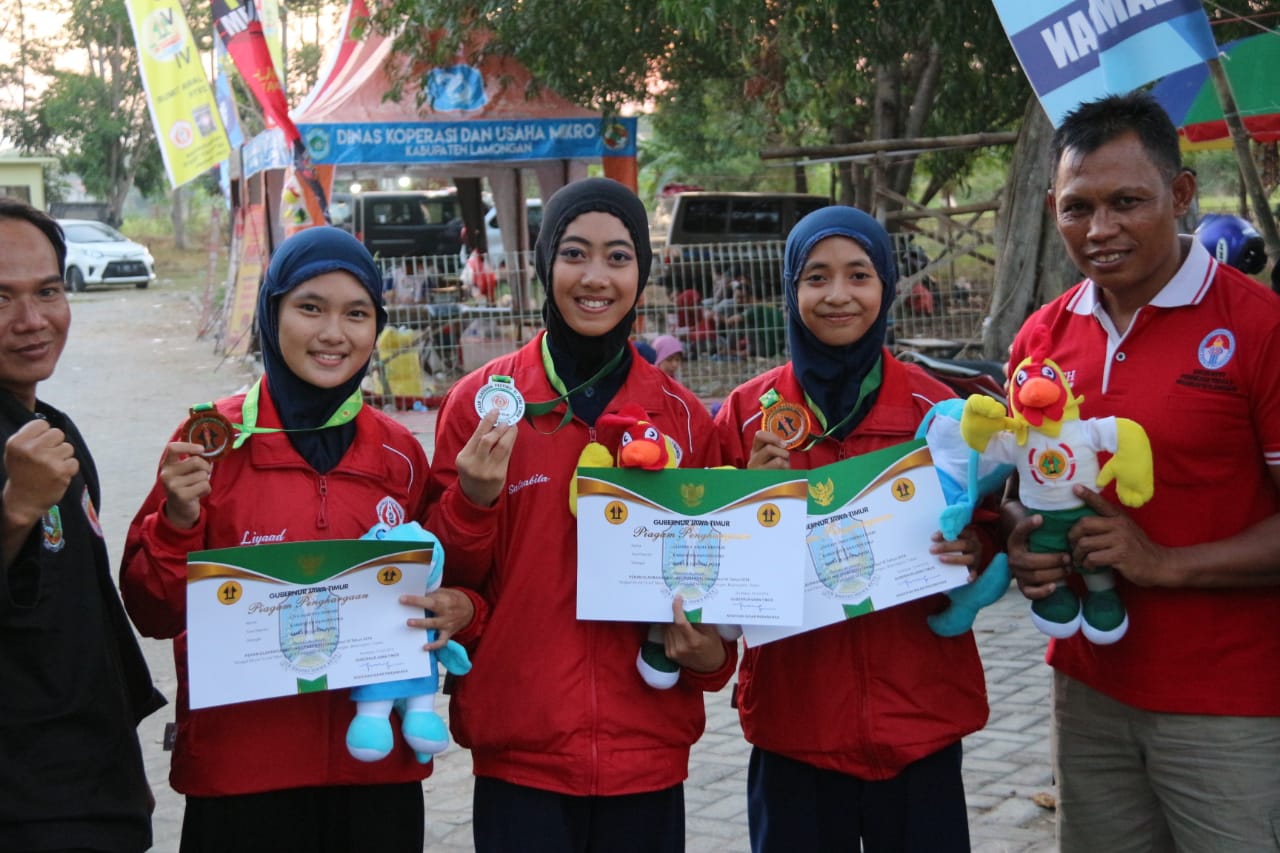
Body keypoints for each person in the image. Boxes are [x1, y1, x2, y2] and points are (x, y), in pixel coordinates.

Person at [119, 226, 473, 853]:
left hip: (374, 777)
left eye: (356, 313)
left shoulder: (398, 453)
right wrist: (176, 521)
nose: (334, 333)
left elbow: (445, 578)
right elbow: (151, 611)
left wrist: (456, 609)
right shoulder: (211, 442)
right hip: (241, 781)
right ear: (271, 310)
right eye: (310, 307)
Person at [1004, 92, 1280, 851]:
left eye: (1127, 202)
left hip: (1232, 705)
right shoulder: (1040, 336)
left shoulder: (1259, 327)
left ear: (1181, 194)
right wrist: (1021, 539)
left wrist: (1167, 564)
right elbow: (1021, 492)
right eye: (1077, 207)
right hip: (1086, 692)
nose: (1100, 230)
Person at [425, 177, 735, 852]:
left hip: (645, 750)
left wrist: (711, 658)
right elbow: (451, 582)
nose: (596, 277)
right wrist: (472, 500)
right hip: (520, 751)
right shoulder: (482, 405)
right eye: (575, 253)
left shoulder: (683, 417)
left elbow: (714, 592)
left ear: (641, 273)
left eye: (618, 257)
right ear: (544, 264)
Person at [713, 205, 993, 852]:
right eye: (816, 277)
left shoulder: (938, 410)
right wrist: (748, 496)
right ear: (791, 288)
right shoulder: (747, 415)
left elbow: (985, 524)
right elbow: (715, 565)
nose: (838, 295)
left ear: (887, 286)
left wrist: (976, 546)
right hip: (796, 730)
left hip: (919, 723)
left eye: (859, 275)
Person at [0, 198, 165, 852]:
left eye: (48, 291)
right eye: (2, 298)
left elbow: (88, 614)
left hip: (96, 786)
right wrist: (14, 510)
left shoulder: (56, 431)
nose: (31, 321)